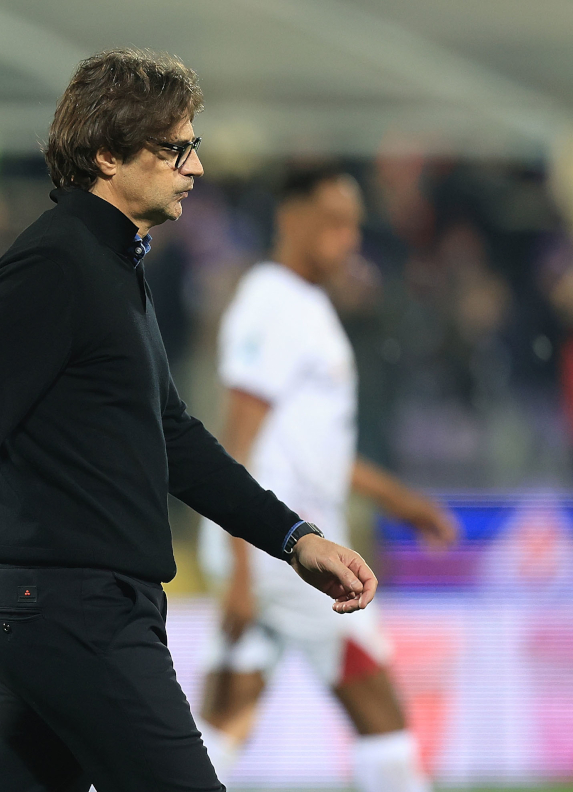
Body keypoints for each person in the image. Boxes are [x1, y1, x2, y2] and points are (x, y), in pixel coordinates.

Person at [0, 48, 379, 792]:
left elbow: (173, 436)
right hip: (75, 614)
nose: (196, 168)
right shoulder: (53, 267)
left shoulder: (113, 266)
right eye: (175, 148)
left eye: (194, 146)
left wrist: (293, 538)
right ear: (107, 154)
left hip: (66, 611)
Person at [196, 167, 459, 792]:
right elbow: (235, 447)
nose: (348, 239)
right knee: (381, 713)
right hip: (281, 548)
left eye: (354, 226)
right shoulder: (272, 302)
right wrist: (239, 571)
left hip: (274, 547)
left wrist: (402, 502)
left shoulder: (306, 306)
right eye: (334, 222)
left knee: (227, 716)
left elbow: (313, 451)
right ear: (292, 219)